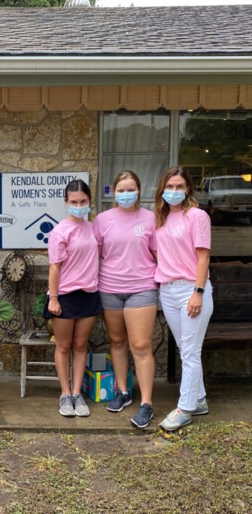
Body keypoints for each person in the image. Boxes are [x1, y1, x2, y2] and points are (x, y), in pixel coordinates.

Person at [93, 170, 158, 428]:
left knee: (141, 345)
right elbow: (95, 254)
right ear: (113, 193)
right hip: (109, 288)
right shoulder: (102, 220)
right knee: (117, 341)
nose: (126, 194)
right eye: (121, 190)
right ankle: (122, 391)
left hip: (141, 288)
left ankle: (146, 404)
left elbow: (158, 253)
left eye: (130, 189)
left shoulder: (151, 219)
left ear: (139, 191)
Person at [154, 166, 213, 431]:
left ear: (188, 188)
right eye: (170, 186)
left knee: (190, 351)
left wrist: (198, 293)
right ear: (162, 189)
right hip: (167, 289)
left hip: (191, 289)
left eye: (179, 186)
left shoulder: (196, 216)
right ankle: (199, 399)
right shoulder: (161, 218)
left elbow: (203, 257)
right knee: (185, 349)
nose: (174, 191)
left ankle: (185, 408)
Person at [44, 179, 101, 418]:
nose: (79, 206)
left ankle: (78, 393)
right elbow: (54, 268)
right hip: (65, 297)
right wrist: (54, 299)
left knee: (80, 346)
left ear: (90, 201)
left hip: (89, 296)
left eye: (83, 201)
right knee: (64, 346)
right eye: (74, 202)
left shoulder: (94, 227)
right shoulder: (60, 232)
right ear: (66, 203)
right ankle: (65, 394)